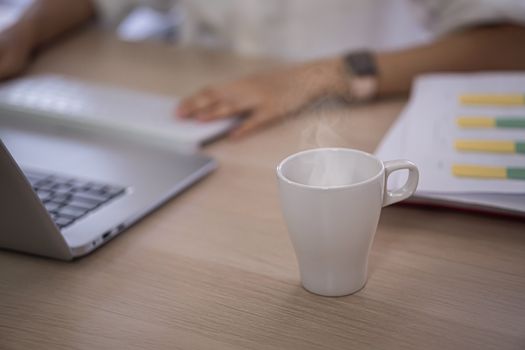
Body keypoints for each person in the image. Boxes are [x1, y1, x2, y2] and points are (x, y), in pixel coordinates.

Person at [2, 0, 525, 138]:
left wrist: (314, 78)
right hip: (193, 118)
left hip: (360, 125)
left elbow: (508, 42)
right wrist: (24, 27)